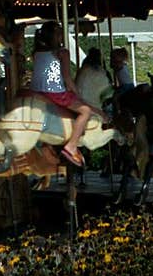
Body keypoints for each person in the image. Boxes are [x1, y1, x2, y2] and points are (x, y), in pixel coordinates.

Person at [29, 21, 95, 168]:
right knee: (85, 111)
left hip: (35, 91)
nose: (62, 38)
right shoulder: (62, 52)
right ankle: (71, 146)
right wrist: (77, 93)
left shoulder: (36, 52)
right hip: (54, 91)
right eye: (60, 34)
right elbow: (66, 77)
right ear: (56, 36)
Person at [75, 47, 113, 113]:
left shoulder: (82, 69)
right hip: (96, 106)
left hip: (80, 103)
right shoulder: (102, 72)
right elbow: (108, 95)